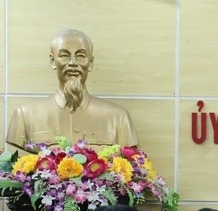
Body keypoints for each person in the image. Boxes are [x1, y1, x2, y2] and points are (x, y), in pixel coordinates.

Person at [6, 29, 137, 150]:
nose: (73, 62)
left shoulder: (118, 117)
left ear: (90, 62)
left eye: (80, 55)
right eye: (64, 55)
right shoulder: (24, 116)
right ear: (53, 61)